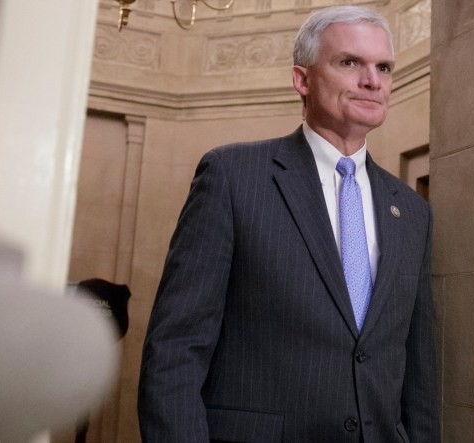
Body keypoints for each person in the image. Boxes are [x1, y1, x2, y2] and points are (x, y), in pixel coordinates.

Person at [137, 6, 439, 443]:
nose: (372, 80)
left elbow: (419, 370)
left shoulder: (411, 210)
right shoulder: (233, 177)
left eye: (384, 67)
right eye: (350, 62)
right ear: (302, 79)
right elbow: (175, 352)